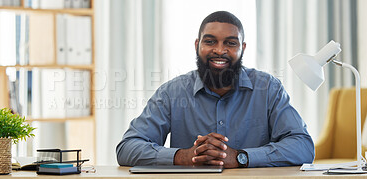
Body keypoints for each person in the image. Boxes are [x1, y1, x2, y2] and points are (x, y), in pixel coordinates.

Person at [116, 11, 314, 168]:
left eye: (230, 43)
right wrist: (184, 156)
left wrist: (241, 157)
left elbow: (303, 146)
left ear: (242, 48)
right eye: (210, 41)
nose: (220, 50)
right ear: (197, 45)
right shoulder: (172, 92)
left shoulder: (268, 88)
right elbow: (127, 148)